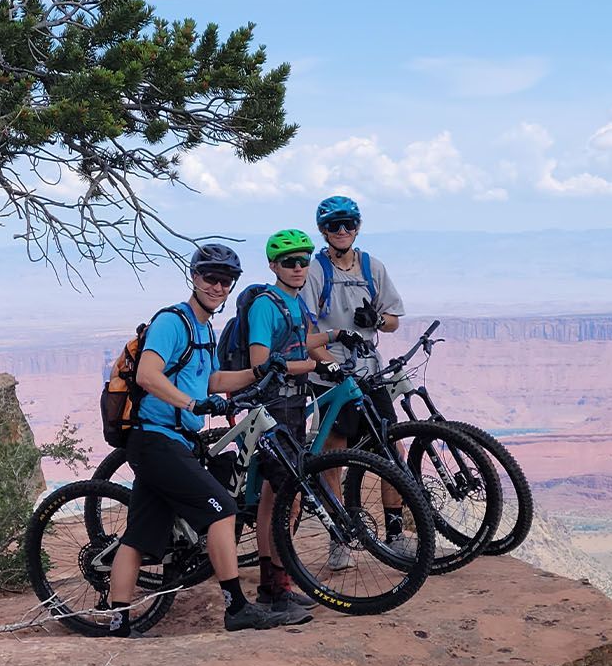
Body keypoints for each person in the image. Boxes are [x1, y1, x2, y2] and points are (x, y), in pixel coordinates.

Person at [105, 242, 308, 635]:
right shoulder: (172, 322)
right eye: (210, 278)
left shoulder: (203, 327)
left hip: (170, 442)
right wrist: (192, 405)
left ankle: (118, 623)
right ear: (194, 277)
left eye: (226, 281)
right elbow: (148, 375)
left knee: (139, 537)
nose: (218, 287)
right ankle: (236, 608)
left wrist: (262, 371)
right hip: (155, 439)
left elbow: (212, 380)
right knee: (222, 509)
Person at [300, 195, 408, 569]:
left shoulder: (371, 266)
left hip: (369, 371)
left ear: (358, 226)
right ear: (323, 231)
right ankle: (339, 538)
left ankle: (395, 533)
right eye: (334, 226)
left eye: (348, 224)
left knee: (390, 450)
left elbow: (394, 319)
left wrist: (377, 321)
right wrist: (327, 364)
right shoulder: (315, 271)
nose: (342, 231)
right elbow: (306, 329)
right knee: (334, 455)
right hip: (330, 376)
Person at [246, 228, 341, 614]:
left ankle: (275, 587)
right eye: (290, 262)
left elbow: (304, 343)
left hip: (293, 407)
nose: (299, 268)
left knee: (275, 496)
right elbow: (259, 363)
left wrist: (338, 336)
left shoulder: (296, 302)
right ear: (273, 266)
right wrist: (314, 365)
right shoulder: (265, 305)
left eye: (304, 261)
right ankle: (276, 588)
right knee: (285, 496)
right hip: (273, 410)